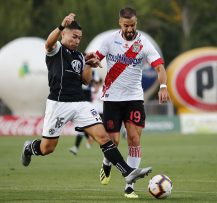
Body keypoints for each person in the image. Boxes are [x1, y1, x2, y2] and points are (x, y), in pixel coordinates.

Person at [20, 13, 152, 190]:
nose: (77, 40)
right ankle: (30, 148)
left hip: (80, 103)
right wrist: (60, 26)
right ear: (64, 34)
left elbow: (85, 80)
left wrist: (89, 64)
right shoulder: (56, 50)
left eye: (79, 38)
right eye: (74, 36)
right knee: (47, 148)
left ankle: (128, 173)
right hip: (58, 103)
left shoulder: (80, 56)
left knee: (103, 137)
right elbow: (48, 43)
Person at [95, 7, 169, 198]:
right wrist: (92, 61)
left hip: (134, 98)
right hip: (111, 98)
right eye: (126, 25)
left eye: (133, 25)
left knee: (134, 139)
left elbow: (159, 67)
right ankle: (106, 162)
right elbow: (97, 57)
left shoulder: (143, 43)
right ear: (120, 23)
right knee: (114, 141)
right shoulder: (109, 40)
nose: (130, 29)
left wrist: (163, 87)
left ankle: (130, 187)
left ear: (137, 23)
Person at [69, 75, 102, 155]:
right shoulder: (92, 89)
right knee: (83, 128)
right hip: (92, 113)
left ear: (100, 83)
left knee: (101, 132)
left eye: (96, 83)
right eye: (94, 82)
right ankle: (76, 147)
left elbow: (100, 96)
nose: (95, 84)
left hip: (101, 113)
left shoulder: (102, 90)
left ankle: (100, 145)